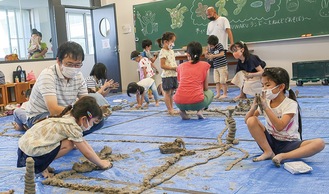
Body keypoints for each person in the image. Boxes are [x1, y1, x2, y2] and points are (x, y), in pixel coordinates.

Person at [245, 67, 325, 166]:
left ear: (281, 87)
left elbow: (280, 127)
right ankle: (268, 152)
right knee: (252, 120)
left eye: (268, 85)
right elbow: (247, 120)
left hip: (289, 144)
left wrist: (266, 108)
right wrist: (253, 108)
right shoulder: (267, 102)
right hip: (270, 143)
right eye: (263, 85)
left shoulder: (290, 104)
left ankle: (284, 156)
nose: (264, 89)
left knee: (319, 143)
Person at [17, 96, 112, 178]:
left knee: (73, 142)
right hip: (30, 154)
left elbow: (83, 142)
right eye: (93, 122)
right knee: (70, 144)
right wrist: (101, 163)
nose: (92, 125)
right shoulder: (73, 127)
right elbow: (86, 152)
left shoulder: (68, 118)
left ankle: (40, 162)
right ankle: (40, 165)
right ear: (84, 119)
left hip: (23, 149)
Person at [26, 41, 104, 136]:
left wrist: (93, 113)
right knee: (58, 126)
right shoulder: (48, 75)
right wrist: (78, 115)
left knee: (98, 121)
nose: (74, 68)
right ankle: (69, 137)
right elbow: (54, 110)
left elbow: (85, 102)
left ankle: (68, 137)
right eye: (69, 64)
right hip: (41, 116)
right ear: (59, 61)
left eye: (78, 65)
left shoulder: (78, 76)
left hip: (66, 115)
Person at [174, 41, 214, 120]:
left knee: (183, 92)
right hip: (197, 103)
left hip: (178, 102)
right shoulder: (205, 65)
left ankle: (182, 111)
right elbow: (205, 88)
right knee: (210, 93)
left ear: (188, 54)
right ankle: (200, 110)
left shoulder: (180, 66)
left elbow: (180, 84)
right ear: (200, 54)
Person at [156, 32, 178, 115]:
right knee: (167, 93)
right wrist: (172, 68)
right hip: (167, 76)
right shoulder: (163, 52)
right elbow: (162, 65)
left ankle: (172, 108)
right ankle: (169, 109)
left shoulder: (171, 51)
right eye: (172, 41)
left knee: (172, 93)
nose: (173, 43)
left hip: (173, 74)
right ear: (166, 42)